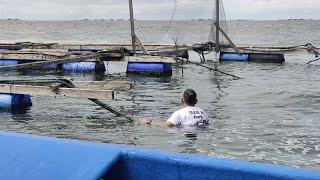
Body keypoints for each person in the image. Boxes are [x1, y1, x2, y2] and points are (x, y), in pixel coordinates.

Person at [141, 89, 209, 127]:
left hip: (187, 133)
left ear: (182, 100)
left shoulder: (179, 113)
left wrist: (149, 122)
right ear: (196, 101)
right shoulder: (203, 112)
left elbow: (167, 125)